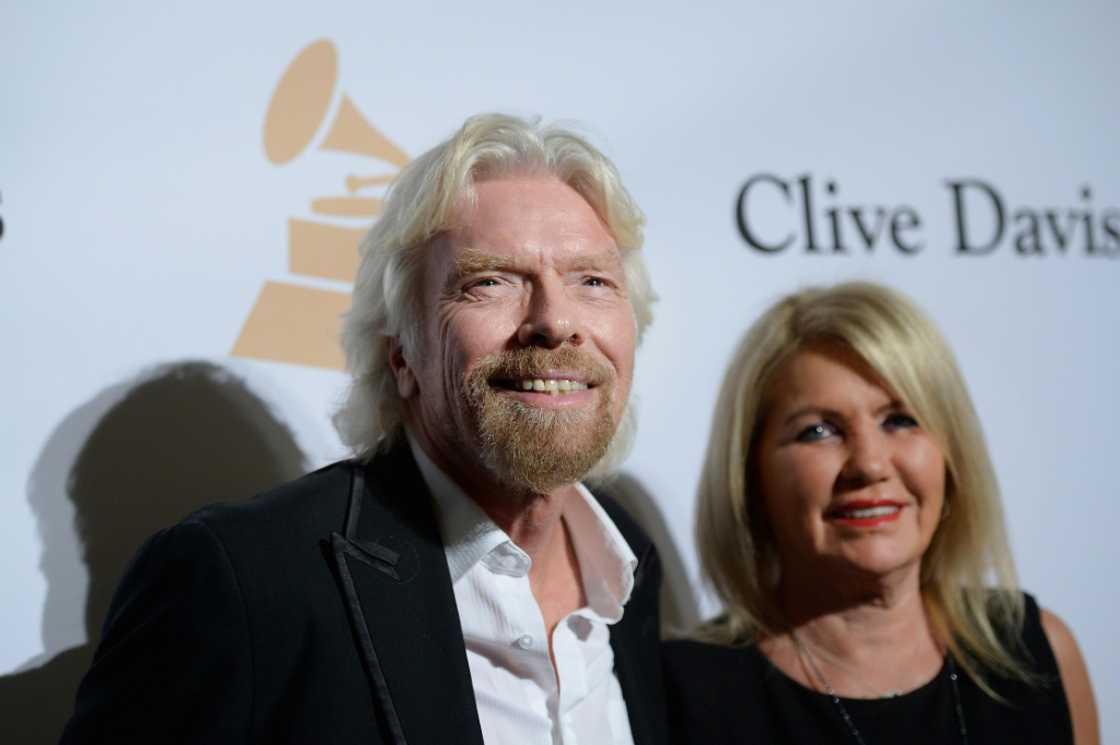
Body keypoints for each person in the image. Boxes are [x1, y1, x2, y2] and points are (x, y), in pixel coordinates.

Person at [61, 113, 668, 745]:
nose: (554, 321)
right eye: (490, 281)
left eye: (592, 281)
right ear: (400, 353)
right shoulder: (241, 583)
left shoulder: (627, 563)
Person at [663, 282, 1099, 745]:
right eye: (819, 431)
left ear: (952, 455)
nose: (870, 464)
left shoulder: (1037, 652)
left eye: (901, 420)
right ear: (749, 475)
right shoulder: (684, 693)